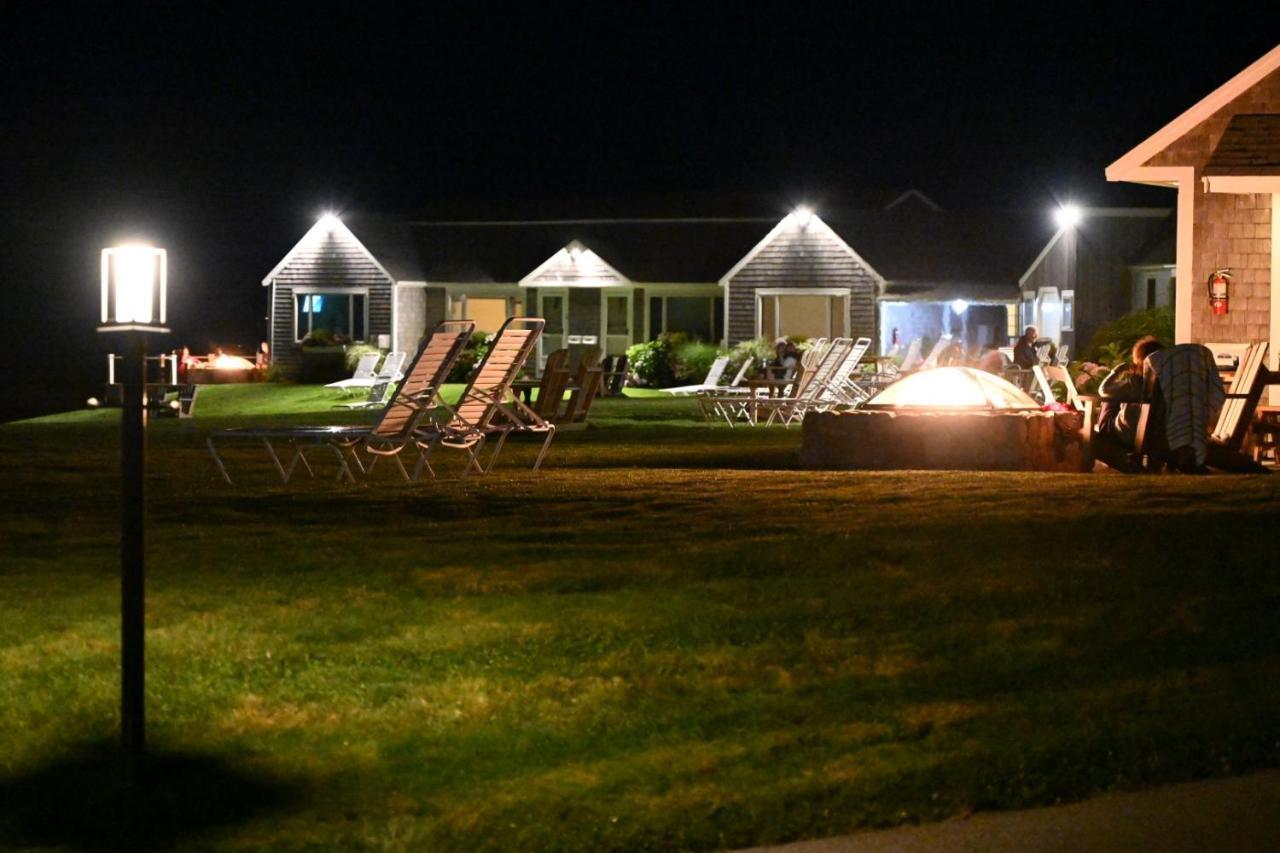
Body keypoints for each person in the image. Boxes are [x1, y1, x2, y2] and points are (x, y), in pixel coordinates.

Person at [1095, 335, 1165, 453]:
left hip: (1127, 434)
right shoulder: (1167, 384)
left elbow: (1103, 390)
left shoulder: (1134, 384)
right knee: (1116, 398)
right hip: (1155, 436)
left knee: (1110, 401)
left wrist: (1119, 369)